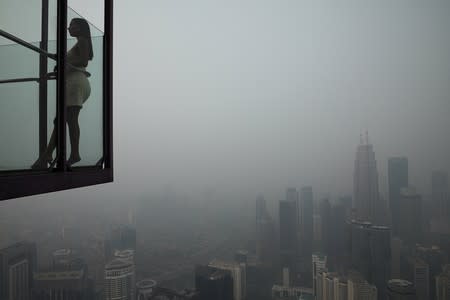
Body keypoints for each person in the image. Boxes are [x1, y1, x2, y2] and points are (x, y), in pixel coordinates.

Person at [32, 18, 93, 169]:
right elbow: (70, 68)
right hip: (73, 82)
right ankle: (47, 154)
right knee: (61, 119)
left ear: (81, 27)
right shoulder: (80, 42)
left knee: (70, 119)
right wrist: (51, 74)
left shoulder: (83, 41)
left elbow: (84, 61)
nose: (69, 27)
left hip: (75, 84)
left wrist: (63, 63)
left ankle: (73, 154)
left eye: (73, 25)